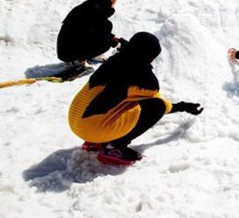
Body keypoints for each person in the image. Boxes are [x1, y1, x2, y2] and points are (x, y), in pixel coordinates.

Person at [68, 32, 203, 165]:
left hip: (75, 121)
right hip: (92, 129)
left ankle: (94, 142)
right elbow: (157, 104)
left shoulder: (113, 60)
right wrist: (183, 106)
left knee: (121, 101)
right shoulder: (144, 78)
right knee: (157, 107)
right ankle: (113, 147)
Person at [57, 0, 124, 65]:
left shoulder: (93, 7)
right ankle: (78, 60)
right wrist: (113, 40)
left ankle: (86, 56)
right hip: (68, 52)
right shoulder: (90, 10)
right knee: (106, 41)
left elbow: (95, 30)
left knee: (107, 33)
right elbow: (88, 32)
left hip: (71, 48)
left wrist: (115, 39)